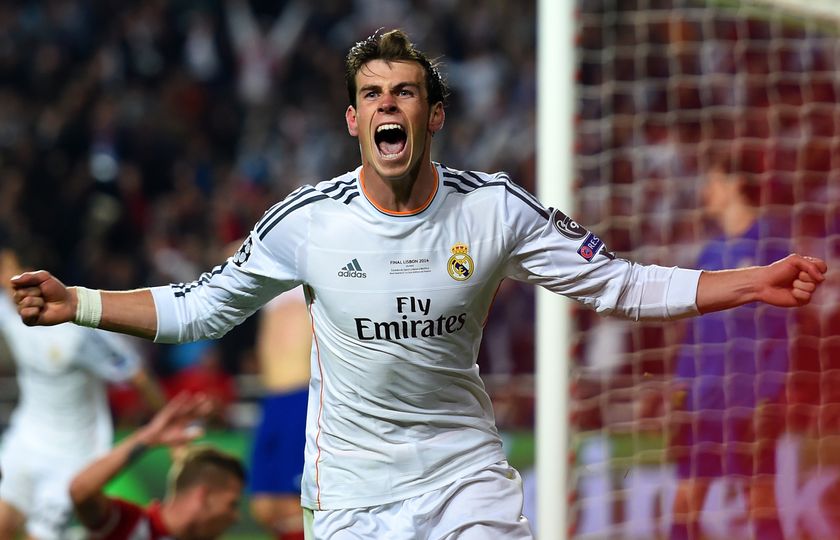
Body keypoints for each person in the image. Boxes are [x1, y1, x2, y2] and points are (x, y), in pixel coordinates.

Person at [9, 29, 828, 539]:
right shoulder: (307, 221)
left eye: (404, 91)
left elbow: (613, 283)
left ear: (433, 115)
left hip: (462, 473)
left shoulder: (495, 208)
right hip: (355, 499)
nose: (387, 104)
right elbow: (195, 310)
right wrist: (75, 301)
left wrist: (749, 281)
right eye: (372, 95)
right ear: (354, 121)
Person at [0, 233, 166, 540]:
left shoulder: (77, 333)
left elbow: (138, 375)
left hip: (72, 457)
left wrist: (169, 422)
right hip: (26, 440)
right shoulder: (7, 310)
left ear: (32, 276)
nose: (0, 280)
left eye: (5, 271)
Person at [669, 149, 791, 540]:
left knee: (758, 496)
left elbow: (784, 329)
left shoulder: (771, 247)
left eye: (714, 180)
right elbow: (693, 330)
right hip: (704, 399)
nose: (706, 190)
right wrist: (680, 387)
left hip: (749, 397)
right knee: (685, 500)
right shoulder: (710, 252)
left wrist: (771, 394)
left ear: (736, 184)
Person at [69, 392, 245, 539]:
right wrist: (148, 437)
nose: (235, 517)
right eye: (232, 504)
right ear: (204, 496)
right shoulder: (131, 524)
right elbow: (81, 491)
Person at [249, 286, 310, 540]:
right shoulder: (269, 269)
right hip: (272, 399)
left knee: (293, 502)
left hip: (302, 394)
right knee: (262, 505)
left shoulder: (319, 267)